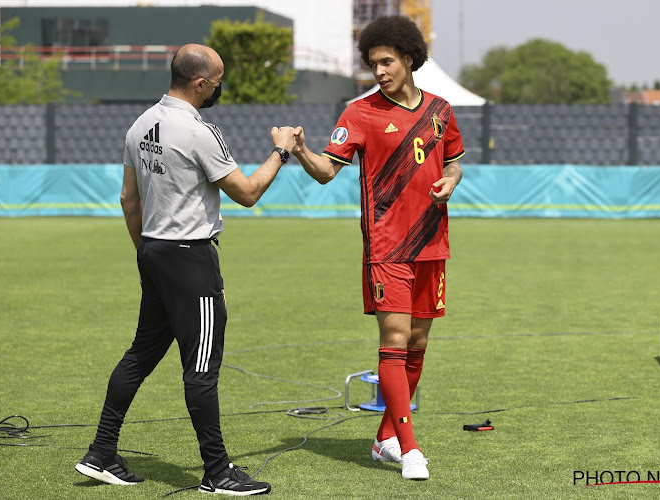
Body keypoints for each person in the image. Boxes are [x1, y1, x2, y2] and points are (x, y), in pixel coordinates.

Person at [74, 43, 294, 496]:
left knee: (139, 356)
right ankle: (217, 472)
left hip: (154, 251)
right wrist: (281, 151)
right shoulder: (198, 130)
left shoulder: (140, 125)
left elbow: (127, 200)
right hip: (190, 257)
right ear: (199, 84)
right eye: (217, 81)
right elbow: (248, 193)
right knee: (201, 370)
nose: (219, 88)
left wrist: (144, 255)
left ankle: (101, 452)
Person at [290, 16, 464, 480]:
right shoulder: (359, 114)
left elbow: (453, 163)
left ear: (409, 58)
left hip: (433, 243)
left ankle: (384, 437)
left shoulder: (442, 110)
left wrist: (450, 180)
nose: (379, 70)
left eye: (387, 61)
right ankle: (409, 450)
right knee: (394, 343)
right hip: (387, 247)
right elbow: (327, 171)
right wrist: (303, 151)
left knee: (419, 343)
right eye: (372, 63)